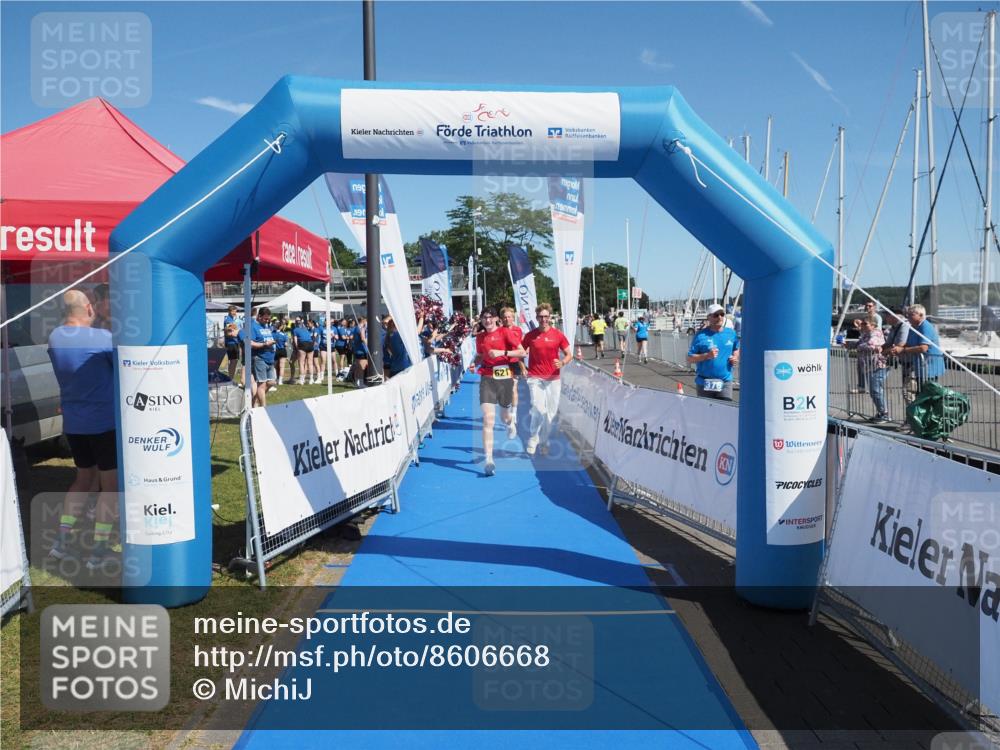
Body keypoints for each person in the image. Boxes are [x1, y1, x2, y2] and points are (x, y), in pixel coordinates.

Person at [47, 290, 119, 569]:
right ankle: (98, 550)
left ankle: (61, 542)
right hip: (104, 423)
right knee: (110, 487)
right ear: (89, 308)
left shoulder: (55, 337)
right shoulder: (103, 338)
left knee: (83, 480)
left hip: (74, 424)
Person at [474, 307, 525, 476]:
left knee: (504, 416)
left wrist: (502, 352)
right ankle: (489, 460)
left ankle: (510, 423)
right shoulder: (480, 337)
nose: (487, 320)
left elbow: (522, 352)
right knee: (488, 419)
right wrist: (474, 362)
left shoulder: (505, 332)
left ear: (496, 318)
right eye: (484, 318)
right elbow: (480, 355)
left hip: (504, 376)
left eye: (490, 317)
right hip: (487, 378)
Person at [522, 303, 572, 455]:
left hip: (553, 378)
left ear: (550, 317)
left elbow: (569, 354)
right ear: (537, 317)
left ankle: (544, 441)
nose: (543, 319)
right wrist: (523, 367)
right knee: (538, 409)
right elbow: (520, 353)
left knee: (550, 414)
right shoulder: (530, 336)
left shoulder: (558, 335)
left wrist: (562, 362)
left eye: (546, 316)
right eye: (540, 317)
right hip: (535, 377)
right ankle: (533, 437)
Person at [686, 303, 740, 400]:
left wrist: (735, 357)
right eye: (716, 315)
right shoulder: (700, 336)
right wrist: (707, 355)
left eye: (722, 314)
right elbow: (690, 358)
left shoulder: (731, 333)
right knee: (705, 409)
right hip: (704, 383)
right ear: (709, 317)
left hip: (725, 382)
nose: (719, 317)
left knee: (725, 408)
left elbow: (736, 348)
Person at [893, 303, 945, 404]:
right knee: (919, 393)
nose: (908, 317)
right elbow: (908, 343)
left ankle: (928, 413)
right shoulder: (913, 327)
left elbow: (923, 348)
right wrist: (898, 348)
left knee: (927, 395)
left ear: (920, 315)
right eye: (907, 314)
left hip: (929, 367)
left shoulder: (926, 327)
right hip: (920, 366)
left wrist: (903, 350)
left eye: (911, 314)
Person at [851, 315, 890, 423]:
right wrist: (848, 344)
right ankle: (880, 412)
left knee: (876, 390)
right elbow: (859, 343)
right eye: (862, 323)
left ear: (873, 325)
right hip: (869, 366)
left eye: (865, 323)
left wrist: (859, 346)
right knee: (873, 391)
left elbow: (871, 345)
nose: (862, 325)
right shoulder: (865, 334)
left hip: (878, 365)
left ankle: (884, 414)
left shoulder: (876, 333)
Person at [239, 307, 277, 407]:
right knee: (262, 384)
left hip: (269, 358)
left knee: (272, 382)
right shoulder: (253, 327)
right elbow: (250, 343)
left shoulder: (266, 326)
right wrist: (265, 344)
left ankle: (255, 400)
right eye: (265, 319)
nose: (267, 321)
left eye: (268, 319)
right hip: (259, 358)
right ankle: (264, 407)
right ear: (259, 316)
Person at [501, 307, 525, 434]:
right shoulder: (499, 331)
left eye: (509, 316)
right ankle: (506, 411)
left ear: (513, 318)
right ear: (501, 319)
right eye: (505, 317)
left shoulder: (518, 330)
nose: (507, 319)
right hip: (502, 363)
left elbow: (520, 349)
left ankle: (514, 414)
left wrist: (522, 366)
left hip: (514, 362)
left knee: (513, 388)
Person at [223, 304, 242, 384]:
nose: (234, 313)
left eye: (235, 311)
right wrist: (238, 333)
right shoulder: (228, 320)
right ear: (229, 311)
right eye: (233, 311)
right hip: (231, 343)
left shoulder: (235, 319)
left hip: (235, 342)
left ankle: (231, 379)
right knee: (233, 361)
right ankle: (230, 379)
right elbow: (229, 333)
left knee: (234, 361)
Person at [292, 317, 314, 385]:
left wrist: (297, 348)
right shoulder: (306, 328)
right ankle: (311, 379)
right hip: (310, 344)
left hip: (303, 344)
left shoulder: (295, 330)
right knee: (310, 363)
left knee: (301, 363)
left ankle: (302, 380)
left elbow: (295, 340)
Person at [351, 317, 371, 388]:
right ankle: (361, 383)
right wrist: (369, 345)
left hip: (357, 350)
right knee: (361, 368)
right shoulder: (361, 328)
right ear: (363, 321)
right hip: (362, 350)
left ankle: (357, 382)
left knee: (358, 367)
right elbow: (363, 338)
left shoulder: (355, 328)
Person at [272, 321, 289, 387]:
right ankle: (280, 381)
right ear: (280, 327)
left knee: (274, 366)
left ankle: (275, 379)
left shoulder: (272, 333)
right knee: (282, 366)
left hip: (275, 351)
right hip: (282, 350)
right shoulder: (284, 334)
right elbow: (286, 344)